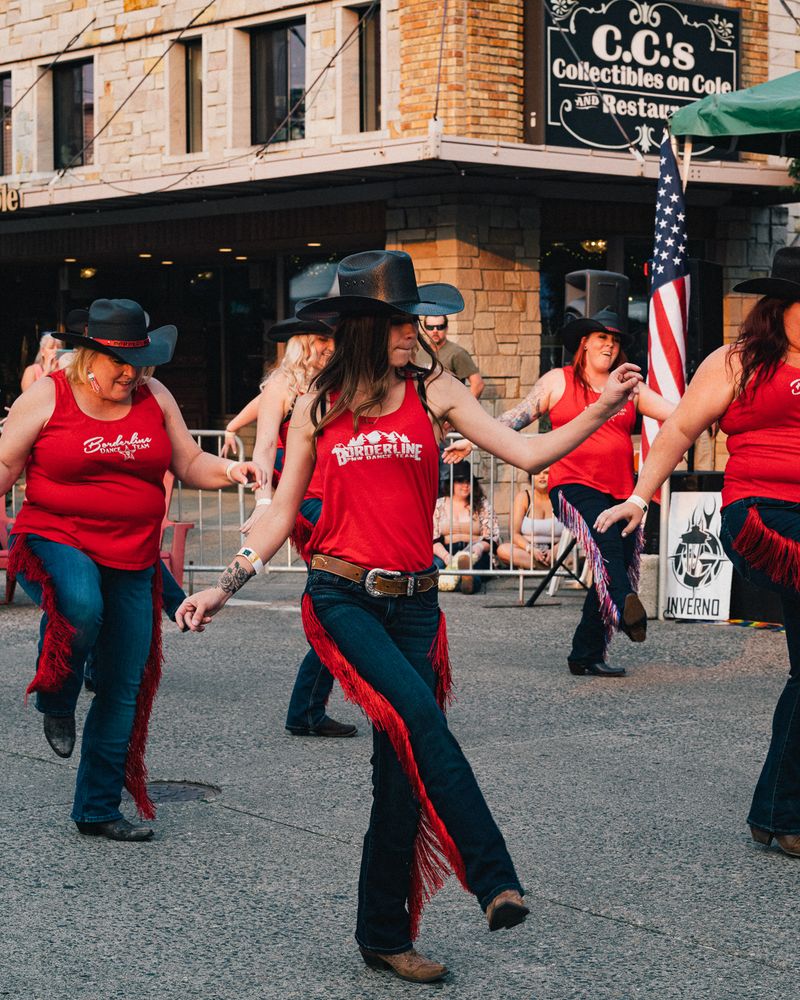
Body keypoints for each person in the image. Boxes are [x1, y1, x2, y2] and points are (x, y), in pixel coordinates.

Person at [176, 250, 642, 981]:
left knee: (399, 777)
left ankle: (383, 934)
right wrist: (224, 585)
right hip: (342, 598)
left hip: (418, 603)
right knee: (424, 719)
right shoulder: (317, 407)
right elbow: (280, 514)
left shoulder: (436, 391)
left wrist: (603, 408)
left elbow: (527, 450)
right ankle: (493, 879)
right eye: (401, 322)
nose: (414, 332)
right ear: (366, 328)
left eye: (414, 321)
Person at [0, 299, 262, 842]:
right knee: (80, 603)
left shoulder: (154, 395)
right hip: (56, 536)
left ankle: (96, 809)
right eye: (120, 362)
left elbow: (189, 461)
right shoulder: (48, 394)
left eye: (140, 362)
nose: (131, 373)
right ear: (87, 356)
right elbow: (5, 463)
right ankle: (56, 692)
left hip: (132, 554)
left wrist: (234, 468)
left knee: (124, 685)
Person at [595, 246, 800, 859]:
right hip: (762, 514)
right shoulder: (738, 361)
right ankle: (780, 812)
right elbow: (681, 428)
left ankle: (777, 812)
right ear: (783, 306)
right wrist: (638, 496)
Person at [447, 307, 674, 678]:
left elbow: (675, 413)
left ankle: (585, 654)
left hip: (622, 490)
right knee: (606, 547)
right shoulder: (559, 380)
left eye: (615, 340)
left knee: (618, 565)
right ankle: (624, 609)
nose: (610, 346)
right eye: (602, 338)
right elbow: (516, 418)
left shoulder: (630, 386)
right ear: (584, 344)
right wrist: (473, 442)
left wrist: (709, 413)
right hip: (573, 483)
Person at [242, 315, 356, 738]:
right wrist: (265, 501)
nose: (330, 345)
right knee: (336, 598)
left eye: (335, 337)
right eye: (322, 338)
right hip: (307, 503)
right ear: (303, 341)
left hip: (344, 501)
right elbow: (265, 443)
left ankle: (307, 710)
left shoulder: (341, 380)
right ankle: (308, 709)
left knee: (335, 602)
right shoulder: (282, 385)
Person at [432, 461, 500, 594]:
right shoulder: (439, 505)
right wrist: (446, 557)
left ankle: (468, 582)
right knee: (436, 567)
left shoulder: (481, 505)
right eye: (460, 481)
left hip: (474, 550)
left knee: (474, 570)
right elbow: (432, 537)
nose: (465, 485)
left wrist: (479, 548)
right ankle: (451, 580)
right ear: (451, 483)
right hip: (445, 549)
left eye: (469, 481)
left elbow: (491, 535)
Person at [496, 467, 564, 571]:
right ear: (531, 477)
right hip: (529, 550)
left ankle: (541, 566)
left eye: (546, 473)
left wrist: (556, 549)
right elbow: (514, 534)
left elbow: (574, 532)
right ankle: (551, 567)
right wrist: (530, 549)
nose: (542, 476)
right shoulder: (523, 497)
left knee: (583, 552)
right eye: (537, 473)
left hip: (559, 550)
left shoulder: (562, 498)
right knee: (503, 550)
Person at [417, 315, 484, 398]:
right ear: (425, 329)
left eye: (440, 327)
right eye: (430, 327)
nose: (435, 331)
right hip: (425, 407)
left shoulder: (457, 353)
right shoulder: (419, 354)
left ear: (446, 328)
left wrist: (463, 407)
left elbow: (477, 384)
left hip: (449, 408)